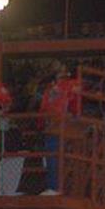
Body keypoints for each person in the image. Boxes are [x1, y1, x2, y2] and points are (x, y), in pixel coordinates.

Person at [37, 65, 82, 194]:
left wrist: (40, 126)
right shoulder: (60, 88)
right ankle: (55, 187)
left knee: (53, 157)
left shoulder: (56, 88)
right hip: (58, 126)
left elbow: (43, 110)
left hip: (59, 126)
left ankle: (54, 187)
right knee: (53, 157)